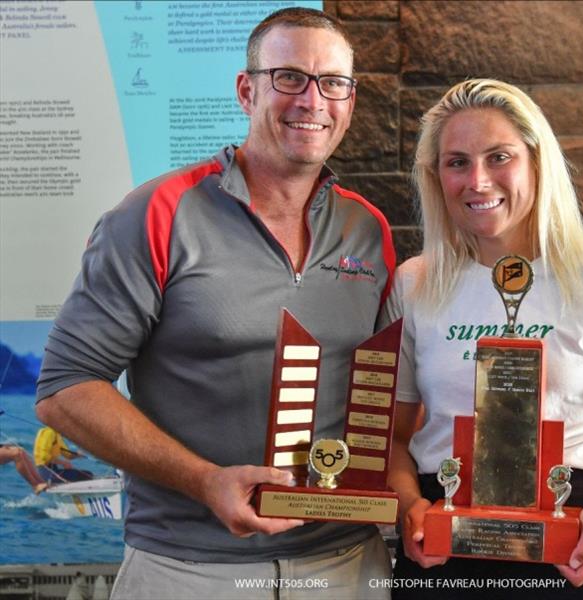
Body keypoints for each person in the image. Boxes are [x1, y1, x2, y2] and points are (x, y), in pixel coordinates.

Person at [36, 7, 394, 600]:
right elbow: (64, 390)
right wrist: (205, 481)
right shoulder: (154, 214)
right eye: (289, 77)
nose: (313, 100)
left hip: (349, 563)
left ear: (350, 100)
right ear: (245, 89)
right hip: (191, 570)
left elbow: (385, 392)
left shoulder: (367, 229)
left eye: (333, 83)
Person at [382, 79, 583, 600]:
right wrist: (408, 505)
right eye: (456, 162)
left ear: (537, 162)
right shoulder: (414, 283)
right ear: (436, 177)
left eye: (499, 157)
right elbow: (391, 434)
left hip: (572, 547)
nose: (478, 180)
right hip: (441, 553)